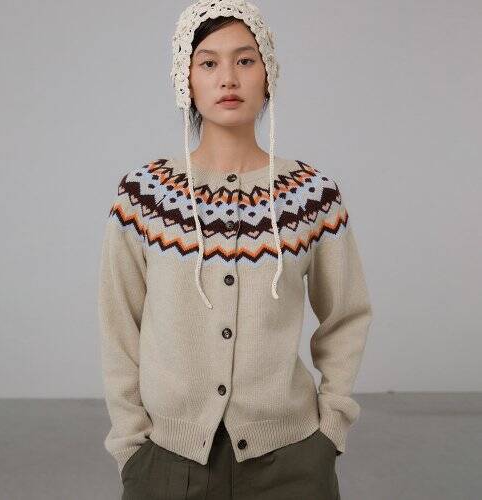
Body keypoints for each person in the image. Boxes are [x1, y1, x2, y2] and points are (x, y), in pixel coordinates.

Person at [97, 1, 373, 498]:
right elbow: (118, 323)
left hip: (291, 459)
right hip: (165, 458)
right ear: (186, 80)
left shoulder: (311, 195)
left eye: (245, 60)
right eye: (208, 62)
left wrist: (331, 428)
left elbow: (346, 315)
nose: (228, 78)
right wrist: (131, 444)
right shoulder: (144, 196)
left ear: (268, 74)